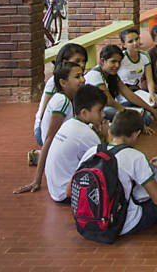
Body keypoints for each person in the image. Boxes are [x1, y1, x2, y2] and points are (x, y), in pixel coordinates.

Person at [80, 109, 157, 239]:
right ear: (136, 134)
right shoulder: (135, 157)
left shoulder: (92, 151)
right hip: (122, 223)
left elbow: (69, 191)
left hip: (89, 223)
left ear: (110, 131)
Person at [15, 61, 85, 193]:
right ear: (63, 82)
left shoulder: (68, 98)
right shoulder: (62, 101)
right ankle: (42, 158)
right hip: (58, 152)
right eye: (77, 77)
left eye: (82, 75)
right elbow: (49, 139)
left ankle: (39, 157)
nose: (83, 80)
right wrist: (37, 180)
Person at [43, 85, 108, 203]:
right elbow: (106, 161)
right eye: (99, 110)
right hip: (66, 193)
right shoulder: (86, 134)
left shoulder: (70, 123)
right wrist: (105, 137)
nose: (103, 114)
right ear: (84, 113)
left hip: (55, 189)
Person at [29, 43, 88, 165]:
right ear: (65, 62)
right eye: (77, 61)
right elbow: (45, 112)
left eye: (84, 61)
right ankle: (45, 156)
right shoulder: (55, 84)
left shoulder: (77, 79)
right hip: (43, 130)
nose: (81, 64)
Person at [92, 44, 157, 128]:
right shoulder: (95, 75)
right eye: (113, 61)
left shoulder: (112, 75)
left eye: (119, 62)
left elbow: (129, 94)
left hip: (110, 108)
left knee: (153, 112)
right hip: (99, 112)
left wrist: (153, 111)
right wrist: (133, 117)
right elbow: (110, 102)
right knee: (145, 118)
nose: (117, 65)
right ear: (102, 61)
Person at [118, 28, 157, 117]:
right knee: (144, 113)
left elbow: (149, 80)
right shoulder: (121, 58)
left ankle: (143, 113)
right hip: (123, 94)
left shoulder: (145, 56)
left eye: (137, 39)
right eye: (130, 41)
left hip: (138, 92)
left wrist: (152, 95)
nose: (135, 43)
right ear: (124, 44)